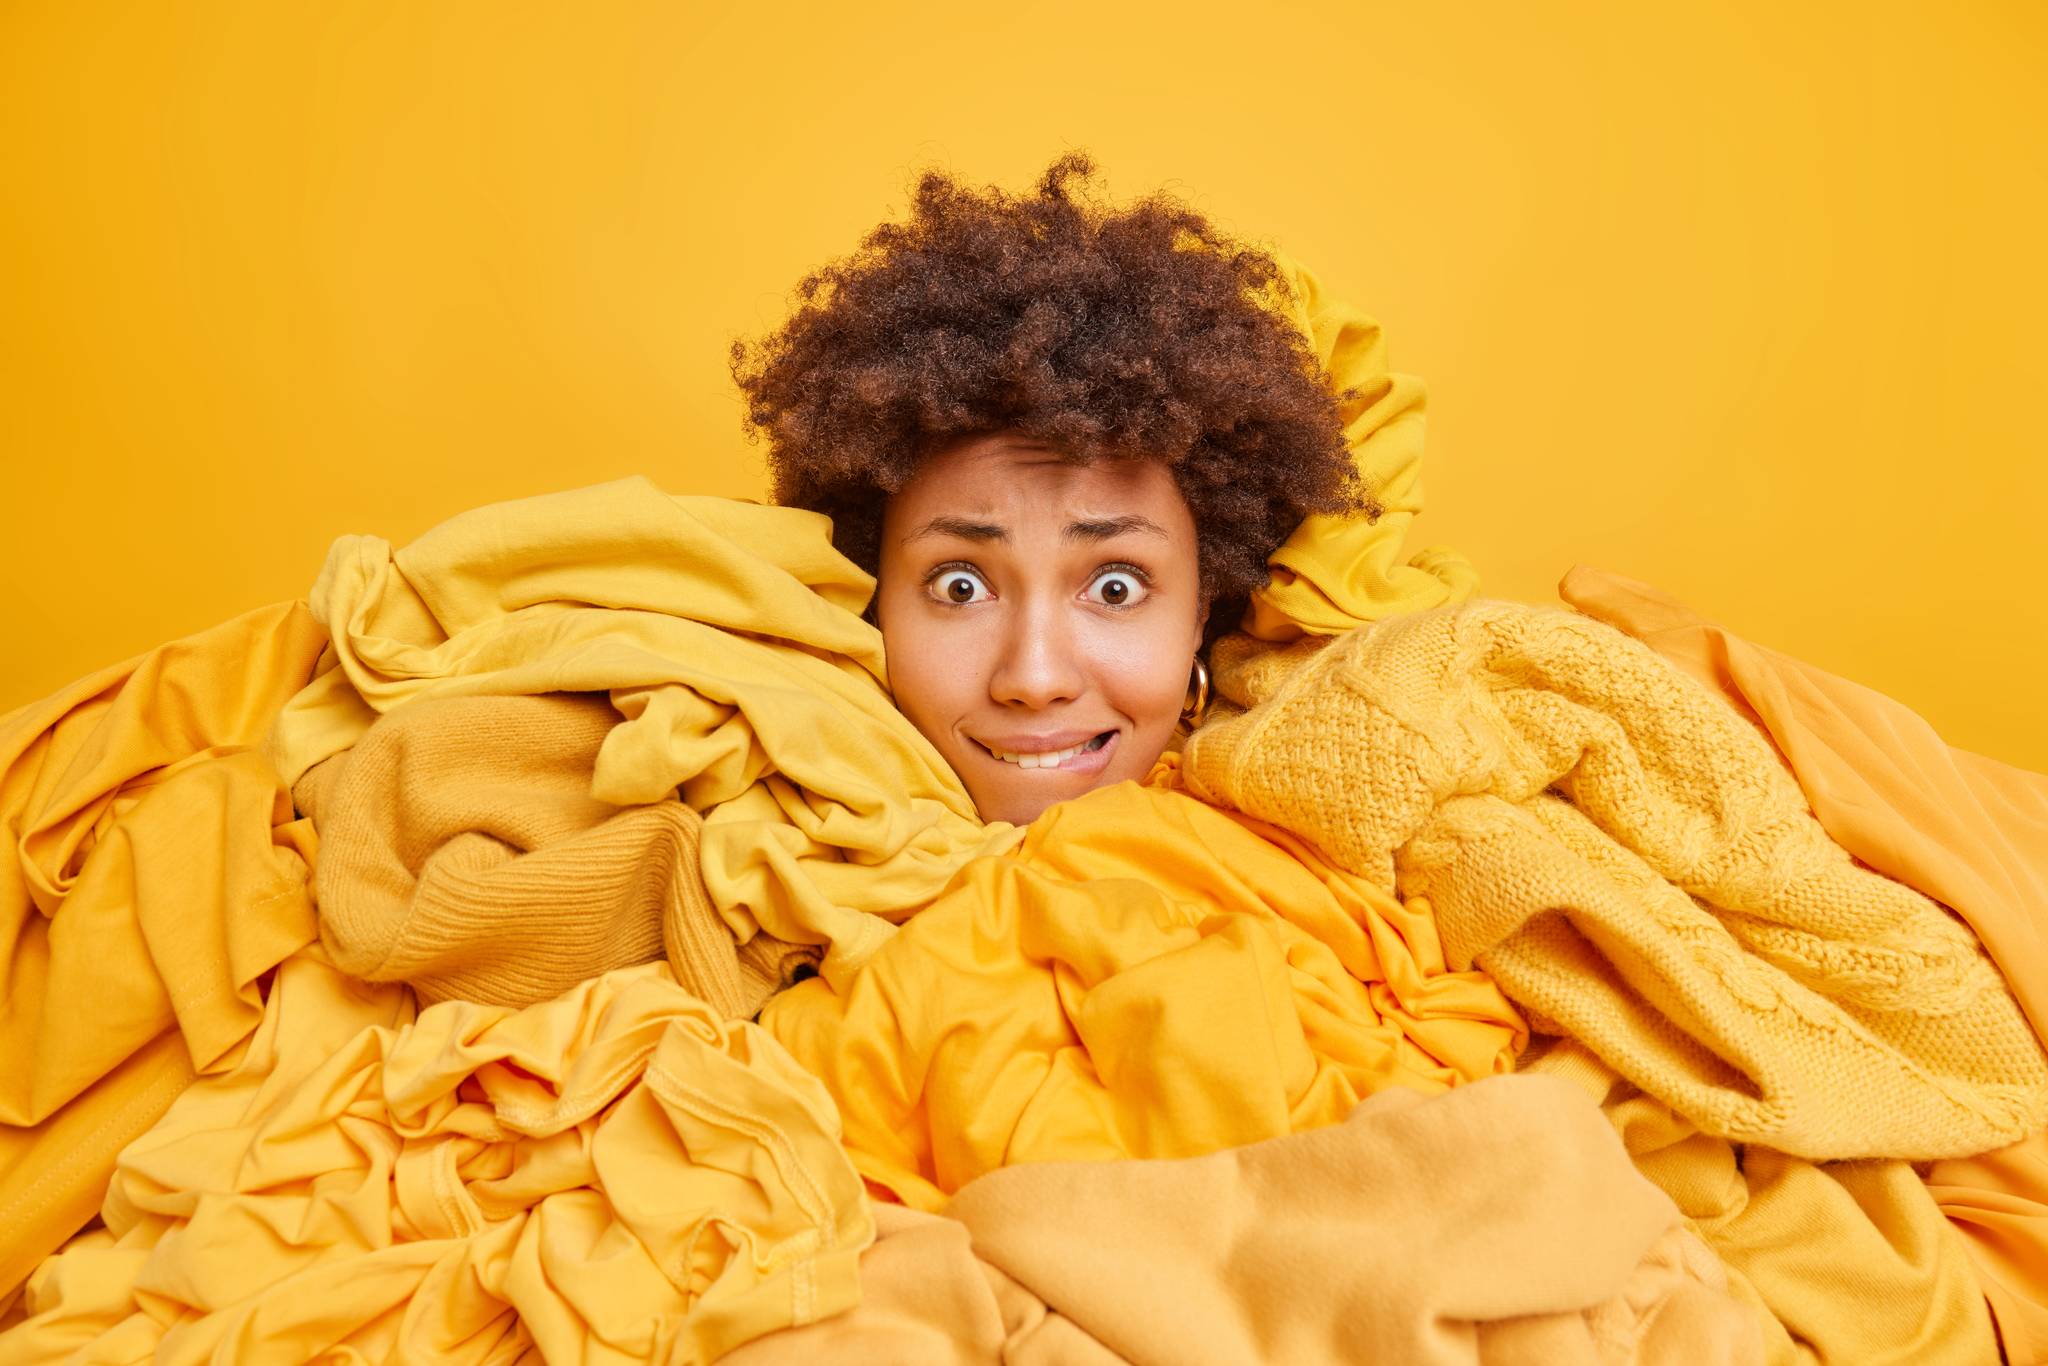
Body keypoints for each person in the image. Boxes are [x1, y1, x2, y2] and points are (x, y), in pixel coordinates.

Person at [730, 152, 1374, 826]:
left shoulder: (1331, 855)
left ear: (1198, 614)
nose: (1034, 682)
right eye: (960, 586)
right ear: (873, 600)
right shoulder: (718, 817)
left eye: (1115, 587)